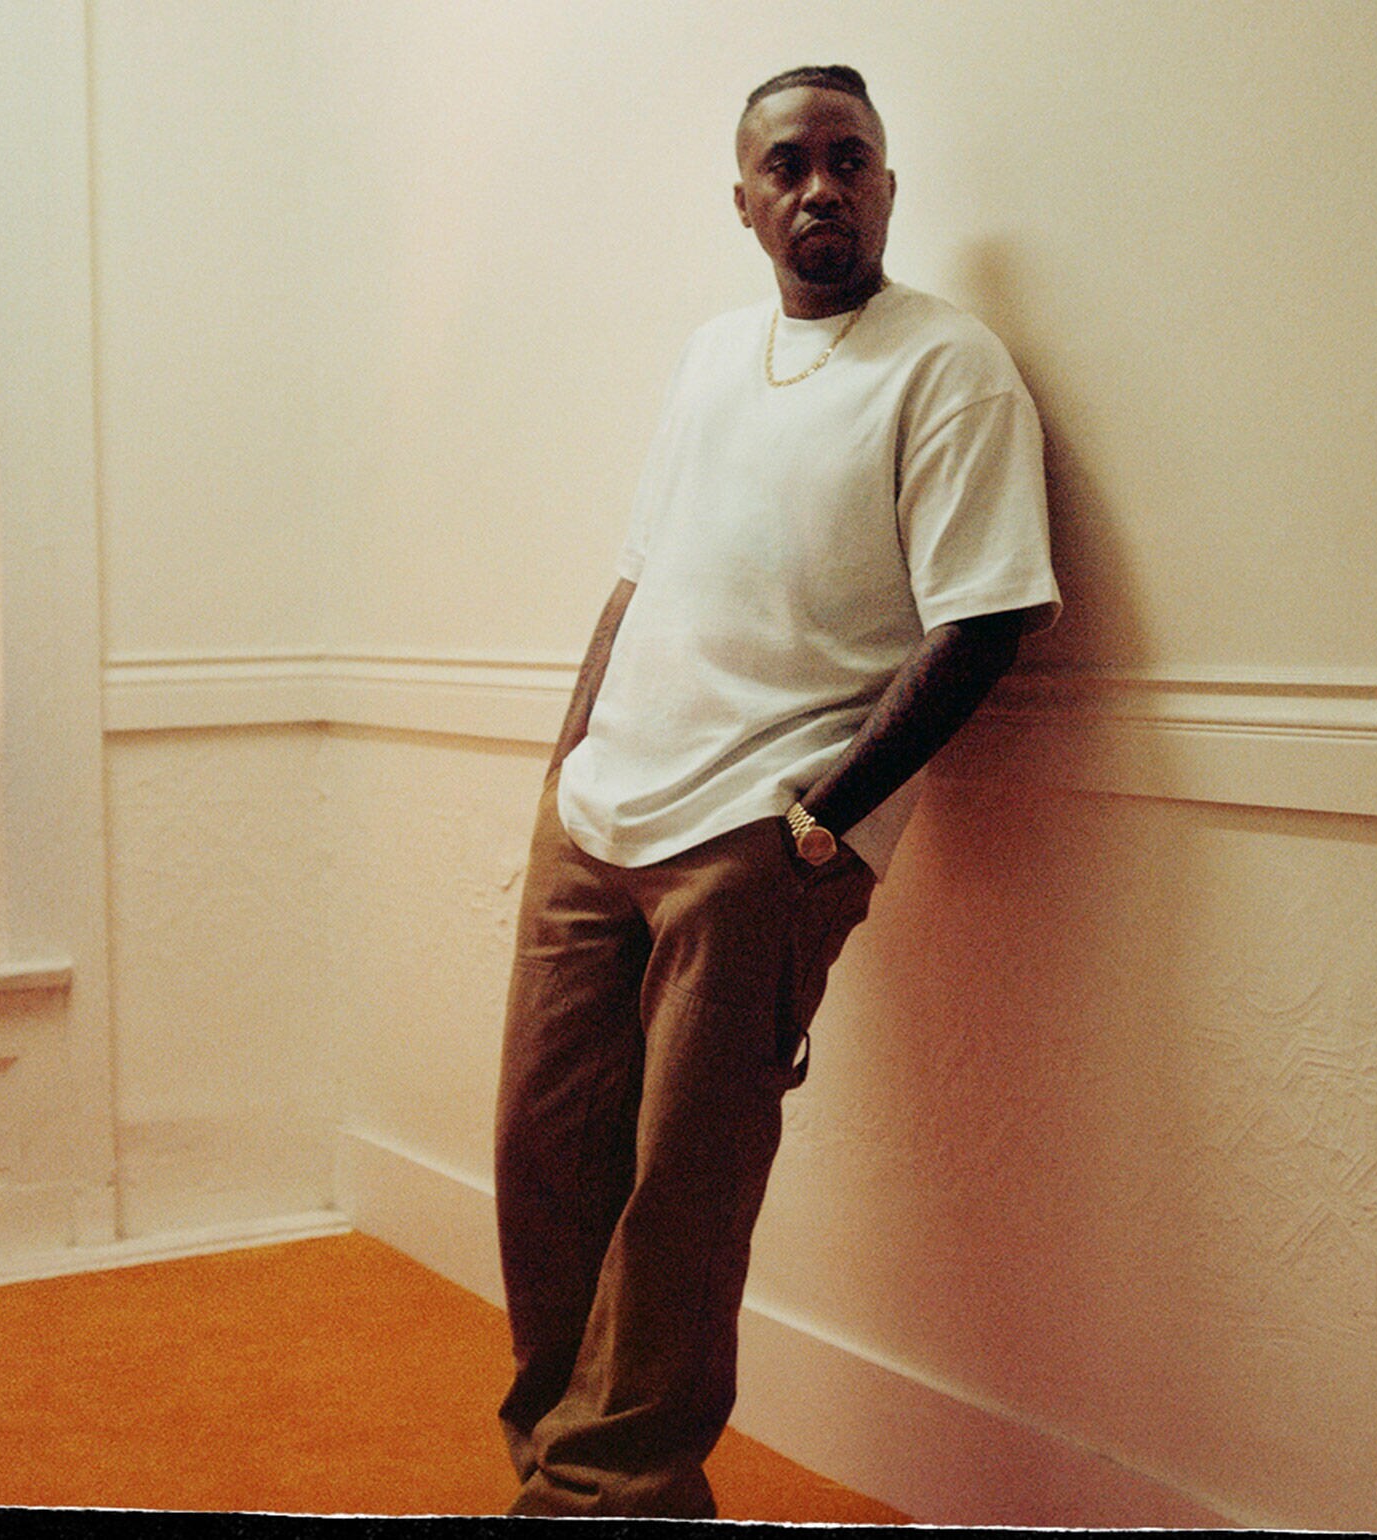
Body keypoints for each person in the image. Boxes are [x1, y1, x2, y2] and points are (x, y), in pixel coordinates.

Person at [491, 63, 1059, 1519]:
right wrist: (564, 770)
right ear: (742, 202)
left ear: (888, 186)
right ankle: (574, 1467)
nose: (821, 187)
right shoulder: (708, 357)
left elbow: (988, 615)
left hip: (757, 841)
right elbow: (636, 583)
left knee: (682, 1196)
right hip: (601, 817)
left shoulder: (948, 366)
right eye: (788, 165)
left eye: (848, 160)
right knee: (547, 1165)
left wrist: (818, 824)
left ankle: (601, 1495)